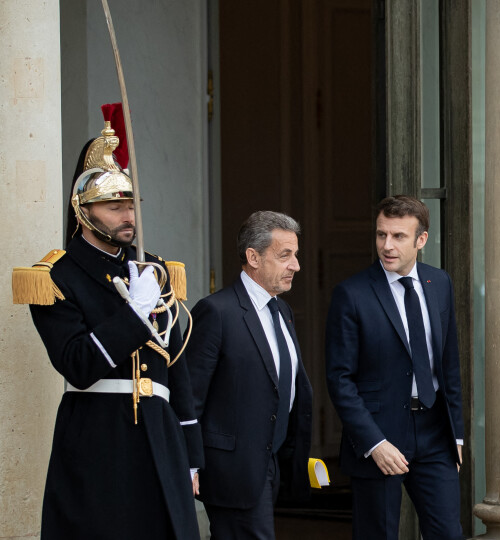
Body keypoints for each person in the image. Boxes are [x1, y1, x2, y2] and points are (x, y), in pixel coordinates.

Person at [18, 109, 203, 540]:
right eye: (114, 206)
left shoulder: (153, 268)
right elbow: (78, 365)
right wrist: (132, 316)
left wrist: (191, 452)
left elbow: (176, 366)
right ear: (83, 210)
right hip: (97, 438)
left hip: (160, 435)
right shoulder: (56, 276)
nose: (128, 216)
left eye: (131, 204)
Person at [325, 195, 464, 540]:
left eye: (398, 236)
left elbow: (449, 364)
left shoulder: (439, 283)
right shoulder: (352, 294)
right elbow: (340, 379)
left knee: (448, 532)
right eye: (381, 235)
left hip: (435, 433)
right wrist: (374, 442)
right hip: (380, 435)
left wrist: (456, 432)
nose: (387, 245)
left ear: (421, 240)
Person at [186, 211, 313, 539]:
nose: (296, 265)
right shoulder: (216, 311)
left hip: (272, 465)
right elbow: (190, 396)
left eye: (295, 255)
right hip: (232, 469)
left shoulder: (281, 310)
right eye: (285, 255)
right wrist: (188, 462)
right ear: (253, 257)